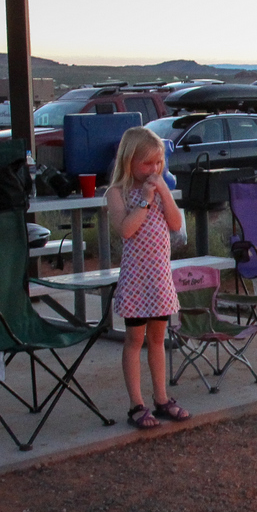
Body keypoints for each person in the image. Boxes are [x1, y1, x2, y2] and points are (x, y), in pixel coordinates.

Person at [105, 127, 189, 430]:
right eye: (146, 164)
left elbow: (177, 224)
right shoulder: (117, 193)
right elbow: (126, 229)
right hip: (136, 279)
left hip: (159, 278)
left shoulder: (159, 189)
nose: (153, 170)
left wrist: (164, 192)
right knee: (134, 339)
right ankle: (136, 403)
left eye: (158, 163)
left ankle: (162, 397)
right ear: (129, 162)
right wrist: (143, 199)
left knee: (158, 339)